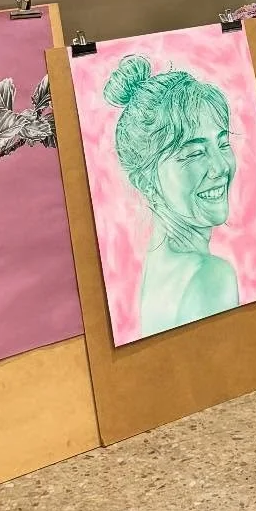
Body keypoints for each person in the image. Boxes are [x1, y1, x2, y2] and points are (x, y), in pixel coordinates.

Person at [103, 54, 239, 339]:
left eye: (223, 143)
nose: (220, 166)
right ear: (146, 182)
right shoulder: (209, 276)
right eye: (194, 153)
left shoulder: (159, 267)